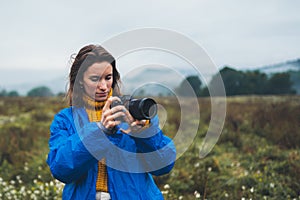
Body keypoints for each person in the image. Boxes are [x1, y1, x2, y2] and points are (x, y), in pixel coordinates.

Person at [46, 44, 176, 200]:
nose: (103, 86)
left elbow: (164, 165)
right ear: (80, 80)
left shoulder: (132, 112)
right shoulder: (65, 120)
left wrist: (144, 134)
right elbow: (61, 169)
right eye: (95, 79)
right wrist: (100, 131)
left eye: (108, 77)